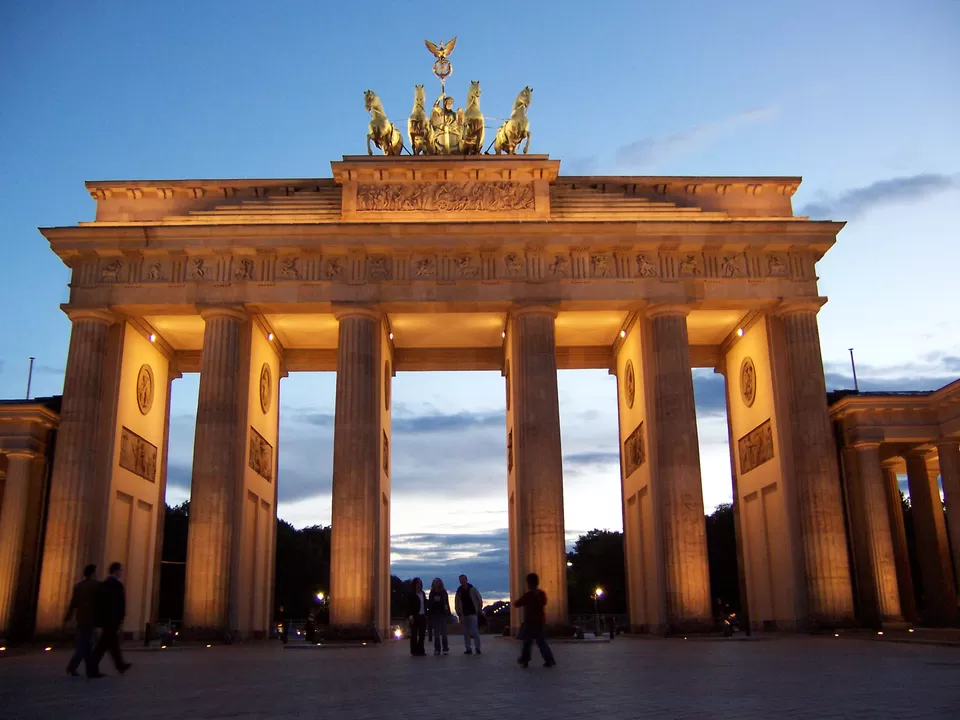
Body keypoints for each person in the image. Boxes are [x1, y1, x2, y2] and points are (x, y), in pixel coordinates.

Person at [90, 562, 131, 676]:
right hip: (113, 620)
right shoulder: (116, 585)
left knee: (111, 643)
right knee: (103, 645)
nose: (121, 572)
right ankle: (93, 667)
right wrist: (121, 618)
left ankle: (120, 665)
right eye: (120, 570)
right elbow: (118, 604)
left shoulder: (104, 585)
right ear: (116, 571)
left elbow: (100, 603)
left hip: (107, 619)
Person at [63, 564, 100, 677]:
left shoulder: (78, 586)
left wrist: (68, 617)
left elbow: (73, 604)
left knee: (87, 644)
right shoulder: (96, 586)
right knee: (85, 644)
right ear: (93, 573)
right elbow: (100, 603)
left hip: (81, 618)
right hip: (91, 619)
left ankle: (90, 669)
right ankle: (72, 666)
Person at [514, 572, 556, 668]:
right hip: (540, 621)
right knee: (541, 642)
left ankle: (525, 659)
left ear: (529, 583)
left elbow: (517, 604)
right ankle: (549, 659)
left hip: (529, 622)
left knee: (527, 642)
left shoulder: (528, 596)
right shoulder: (541, 594)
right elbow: (544, 602)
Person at [455, 574, 483, 655]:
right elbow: (457, 602)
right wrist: (458, 612)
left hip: (473, 612)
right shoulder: (459, 591)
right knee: (466, 632)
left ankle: (477, 648)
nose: (462, 581)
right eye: (460, 580)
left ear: (466, 579)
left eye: (463, 579)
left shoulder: (472, 589)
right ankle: (468, 648)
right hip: (464, 614)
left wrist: (479, 608)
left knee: (474, 631)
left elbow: (479, 598)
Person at [427, 578, 449, 656]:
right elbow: (429, 604)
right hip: (434, 614)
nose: (436, 584)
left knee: (444, 632)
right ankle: (437, 649)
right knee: (436, 633)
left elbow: (446, 603)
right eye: (435, 582)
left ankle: (445, 648)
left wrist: (448, 613)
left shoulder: (443, 592)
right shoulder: (432, 593)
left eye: (438, 582)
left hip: (442, 613)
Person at [406, 577, 427, 656]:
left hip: (422, 616)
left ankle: (421, 649)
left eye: (420, 584)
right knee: (414, 634)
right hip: (415, 616)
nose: (419, 585)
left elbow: (424, 604)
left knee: (422, 634)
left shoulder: (423, 593)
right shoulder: (411, 594)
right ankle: (414, 650)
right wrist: (410, 615)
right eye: (418, 583)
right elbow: (409, 605)